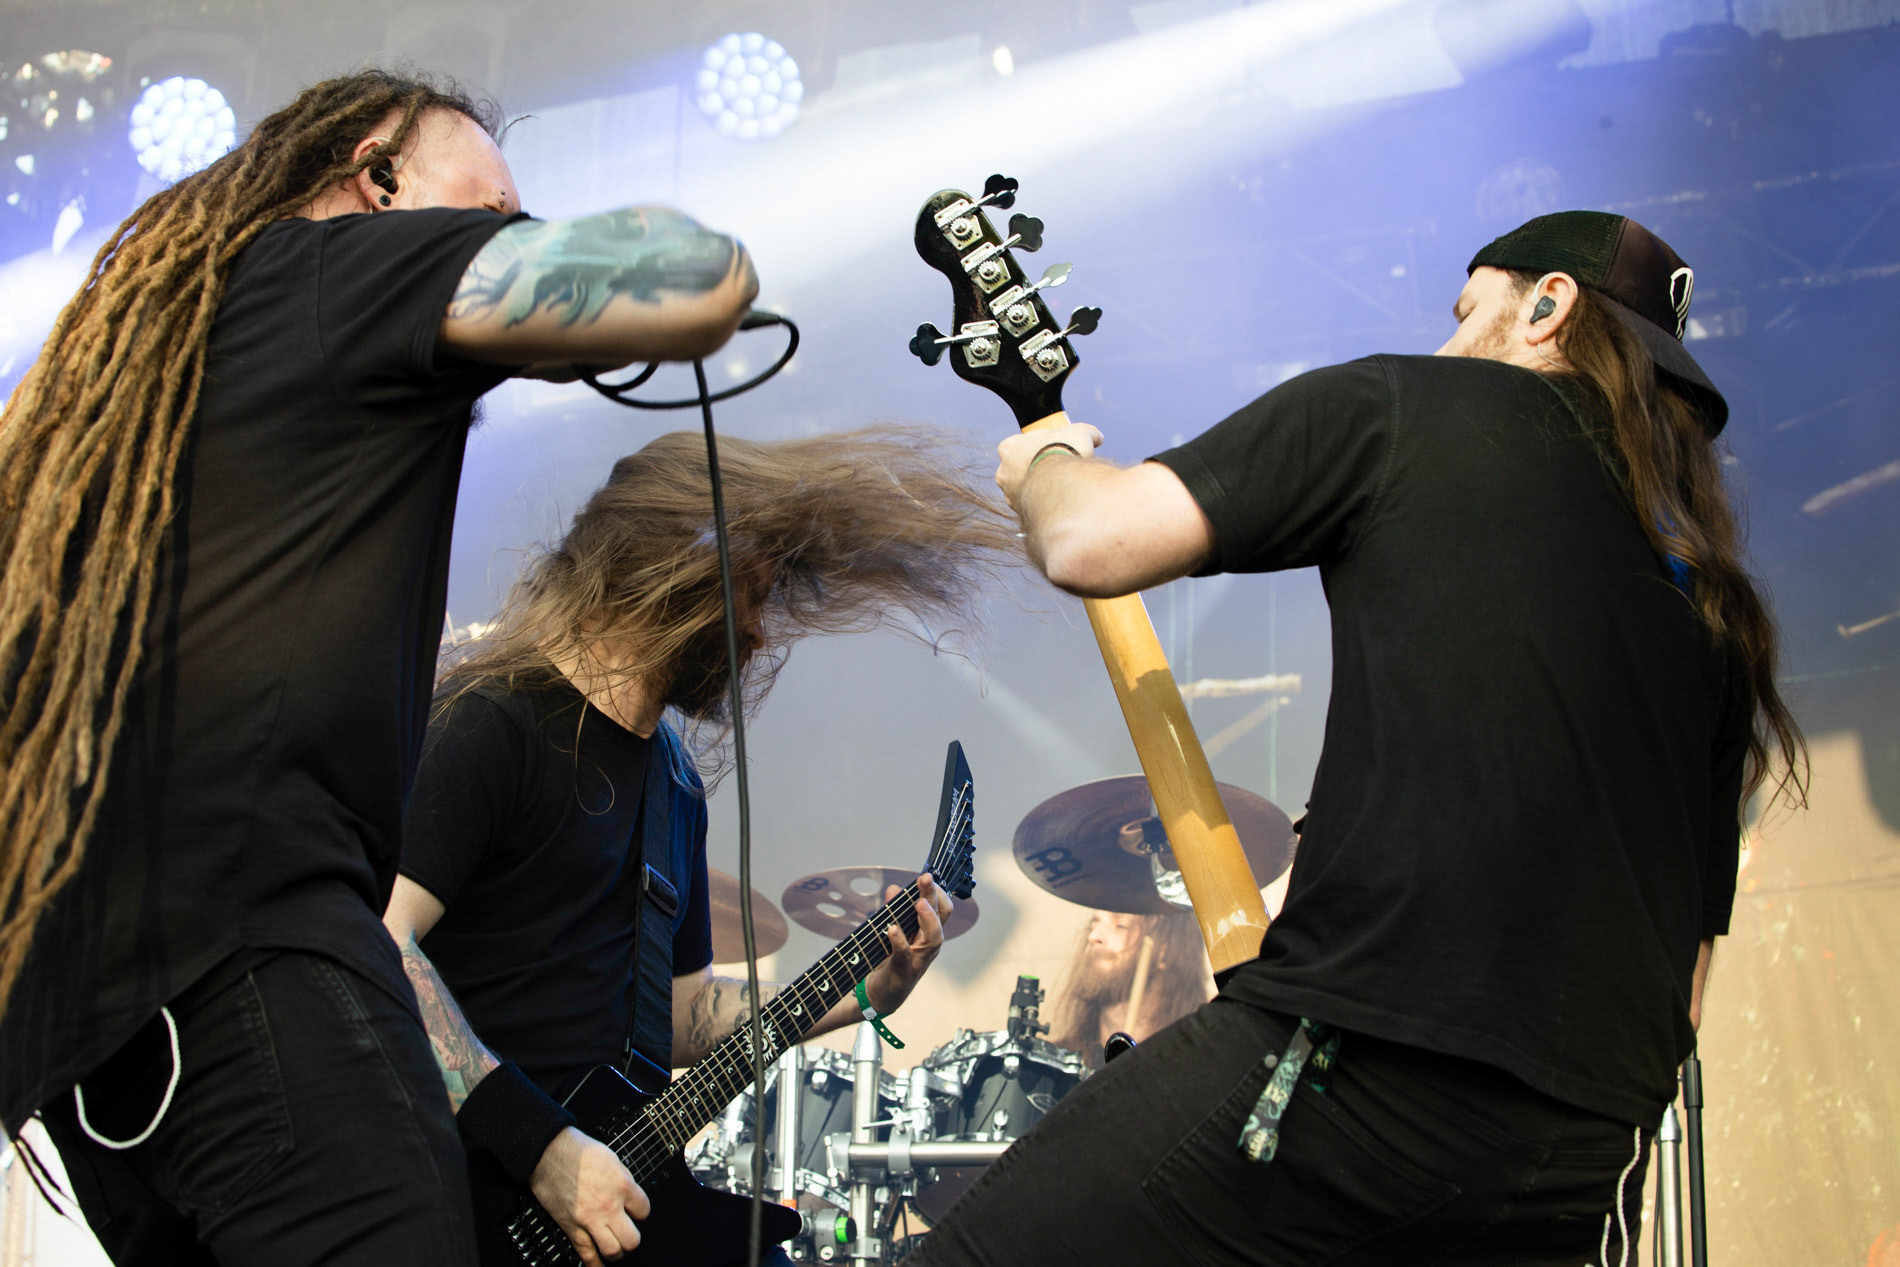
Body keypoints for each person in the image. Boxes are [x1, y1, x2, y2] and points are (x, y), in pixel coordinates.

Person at [914, 211, 1807, 1266]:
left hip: (1358, 1077)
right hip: (1584, 1158)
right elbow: (1688, 977)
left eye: (1466, 310)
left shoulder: (1404, 408)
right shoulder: (1711, 605)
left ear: (1547, 306)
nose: (1446, 343)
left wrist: (1048, 456)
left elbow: (1087, 537)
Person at [0, 69, 757, 1265]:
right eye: (492, 208)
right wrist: (534, 265)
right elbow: (686, 275)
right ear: (378, 174)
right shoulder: (335, 270)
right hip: (259, 966)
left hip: (95, 1032)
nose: (508, 233)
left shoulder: (184, 352)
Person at [384, 426, 1017, 1265]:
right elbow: (376, 943)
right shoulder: (493, 722)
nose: (758, 631)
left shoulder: (673, 782)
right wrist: (541, 1146)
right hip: (466, 1202)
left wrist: (866, 992)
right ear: (680, 570)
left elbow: (682, 1017)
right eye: (749, 594)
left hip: (608, 1208)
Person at [1048, 909, 1213, 1069]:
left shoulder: (1194, 1064)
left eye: (1120, 926)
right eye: (1094, 924)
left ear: (1164, 950)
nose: (1094, 936)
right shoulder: (1059, 1068)